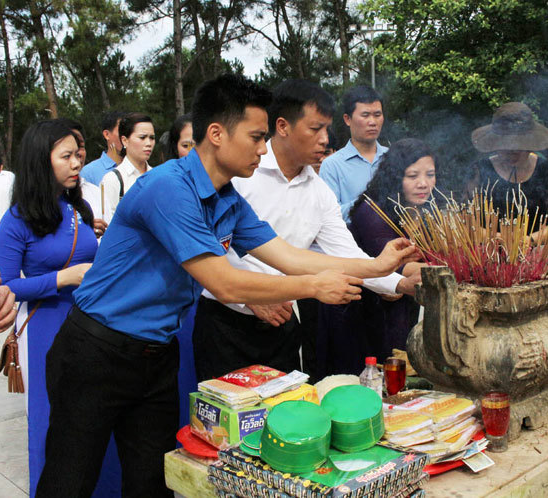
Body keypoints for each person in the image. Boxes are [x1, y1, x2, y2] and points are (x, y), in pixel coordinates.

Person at [35, 73, 415, 497]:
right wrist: (313, 287)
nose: (262, 147)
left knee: (152, 482)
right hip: (97, 350)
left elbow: (287, 255)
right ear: (216, 133)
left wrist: (376, 267)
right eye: (255, 136)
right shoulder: (168, 188)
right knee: (69, 480)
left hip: (155, 356)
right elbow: (225, 283)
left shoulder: (229, 199)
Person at [193, 79, 419, 382]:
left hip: (284, 321)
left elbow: (332, 254)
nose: (326, 139)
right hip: (226, 323)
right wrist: (250, 297)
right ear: (283, 126)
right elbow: (214, 249)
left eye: (327, 129)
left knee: (284, 418)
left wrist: (397, 283)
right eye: (315, 129)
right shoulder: (238, 175)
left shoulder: (318, 191)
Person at [0, 120, 123, 497]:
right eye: (66, 156)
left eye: (78, 155)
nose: (76, 164)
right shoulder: (16, 220)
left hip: (92, 326)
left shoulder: (79, 208)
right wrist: (62, 279)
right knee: (53, 425)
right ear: (41, 161)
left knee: (97, 420)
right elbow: (6, 287)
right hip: (44, 329)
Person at [317, 138, 434, 377]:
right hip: (365, 314)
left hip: (402, 309)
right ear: (394, 177)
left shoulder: (426, 209)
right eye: (412, 176)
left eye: (430, 174)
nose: (423, 184)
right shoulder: (372, 212)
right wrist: (450, 267)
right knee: (368, 381)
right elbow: (400, 268)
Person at [468, 102, 548, 237]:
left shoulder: (545, 169)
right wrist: (503, 240)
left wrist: (529, 241)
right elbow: (467, 223)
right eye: (506, 145)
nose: (512, 151)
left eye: (519, 145)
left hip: (538, 254)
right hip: (489, 254)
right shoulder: (480, 170)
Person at [320, 85, 388, 221]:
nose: (372, 122)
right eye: (365, 115)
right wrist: (366, 203)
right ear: (347, 119)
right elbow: (329, 216)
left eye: (377, 115)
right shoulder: (332, 166)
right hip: (352, 241)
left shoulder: (393, 157)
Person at [56, 118, 109, 238]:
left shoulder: (96, 193)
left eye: (80, 146)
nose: (77, 155)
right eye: (67, 153)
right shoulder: (26, 210)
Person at [100, 112, 154, 222]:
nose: (148, 143)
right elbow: (108, 223)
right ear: (125, 140)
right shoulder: (112, 179)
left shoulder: (157, 175)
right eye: (142, 137)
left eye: (152, 138)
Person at [80, 111, 125, 185]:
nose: (125, 137)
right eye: (122, 132)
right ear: (107, 134)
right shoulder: (88, 173)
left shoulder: (139, 168)